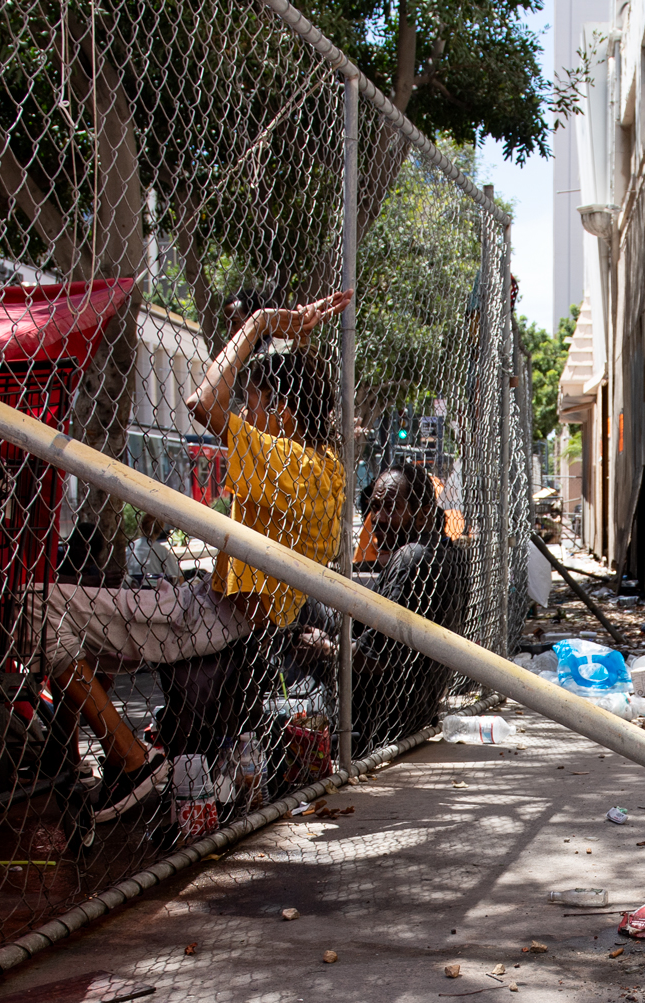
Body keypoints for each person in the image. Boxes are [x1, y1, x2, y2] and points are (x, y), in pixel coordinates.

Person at [28, 290, 350, 820]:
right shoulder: (328, 467)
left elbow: (201, 401)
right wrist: (292, 344)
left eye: (256, 402)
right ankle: (85, 761)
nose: (246, 412)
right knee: (90, 628)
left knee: (41, 606)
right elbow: (298, 391)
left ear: (285, 413)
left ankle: (131, 761)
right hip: (237, 616)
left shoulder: (286, 458)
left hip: (215, 614)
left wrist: (265, 323)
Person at [304, 465, 470, 754]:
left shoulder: (409, 558)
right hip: (416, 710)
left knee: (302, 608)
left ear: (422, 513)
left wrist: (324, 647)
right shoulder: (450, 553)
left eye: (390, 507)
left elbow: (375, 660)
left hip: (382, 719)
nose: (377, 518)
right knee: (311, 600)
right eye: (375, 506)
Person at [124, 515, 181, 588]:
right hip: (154, 587)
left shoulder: (131, 547)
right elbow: (175, 575)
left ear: (141, 526)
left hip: (132, 586)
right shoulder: (162, 550)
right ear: (161, 529)